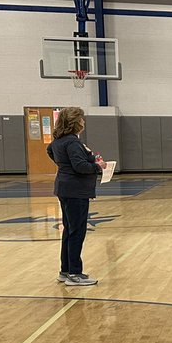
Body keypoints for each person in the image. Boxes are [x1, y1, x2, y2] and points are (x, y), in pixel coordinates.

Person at [48, 106, 107, 286]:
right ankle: (75, 273)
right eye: (81, 119)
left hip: (64, 188)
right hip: (76, 191)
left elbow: (50, 151)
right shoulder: (72, 142)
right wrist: (98, 167)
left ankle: (65, 270)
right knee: (77, 231)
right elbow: (80, 166)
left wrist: (63, 165)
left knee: (69, 230)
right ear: (75, 122)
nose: (83, 122)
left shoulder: (58, 141)